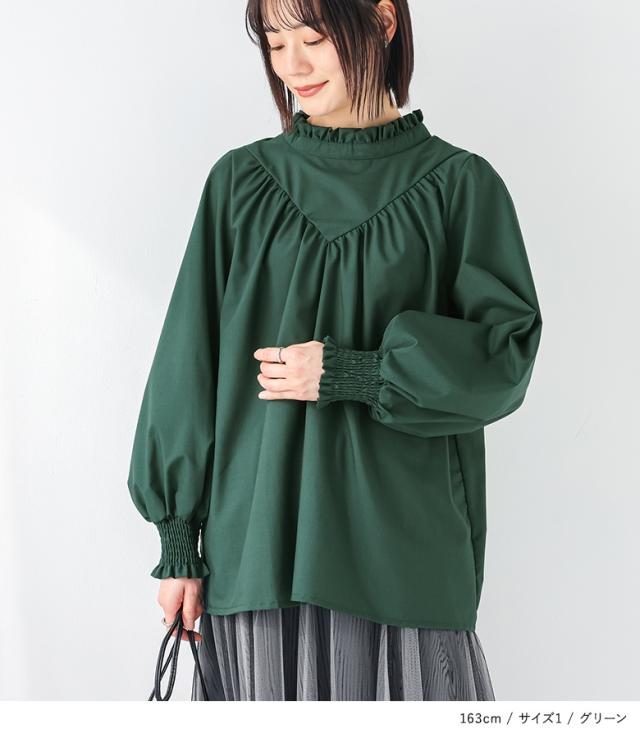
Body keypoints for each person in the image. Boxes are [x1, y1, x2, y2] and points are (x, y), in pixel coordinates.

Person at [127, 0, 542, 701]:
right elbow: (187, 364)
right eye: (275, 43)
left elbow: (504, 358)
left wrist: (359, 372)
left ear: (383, 21)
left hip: (402, 561)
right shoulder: (240, 185)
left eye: (313, 38)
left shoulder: (460, 187)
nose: (293, 65)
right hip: (257, 557)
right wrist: (178, 546)